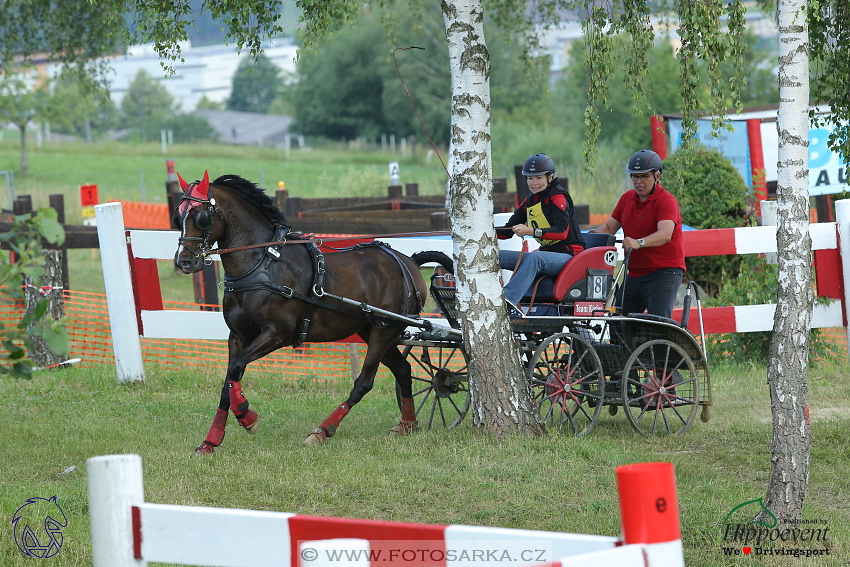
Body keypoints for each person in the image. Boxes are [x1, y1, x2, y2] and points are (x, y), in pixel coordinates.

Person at [590, 149, 685, 319]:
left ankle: (659, 346)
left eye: (644, 176)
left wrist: (638, 242)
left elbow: (665, 234)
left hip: (663, 272)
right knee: (618, 320)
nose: (638, 181)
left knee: (658, 322)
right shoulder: (627, 198)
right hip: (635, 273)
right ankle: (625, 346)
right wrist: (588, 238)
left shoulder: (667, 201)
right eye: (634, 176)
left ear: (657, 176)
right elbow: (609, 227)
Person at [497, 153, 585, 315]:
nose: (534, 183)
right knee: (497, 257)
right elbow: (507, 231)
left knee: (534, 257)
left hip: (569, 256)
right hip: (547, 256)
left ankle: (507, 302)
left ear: (550, 178)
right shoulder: (531, 200)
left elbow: (561, 233)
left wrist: (530, 231)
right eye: (530, 178)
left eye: (538, 178)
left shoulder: (558, 197)